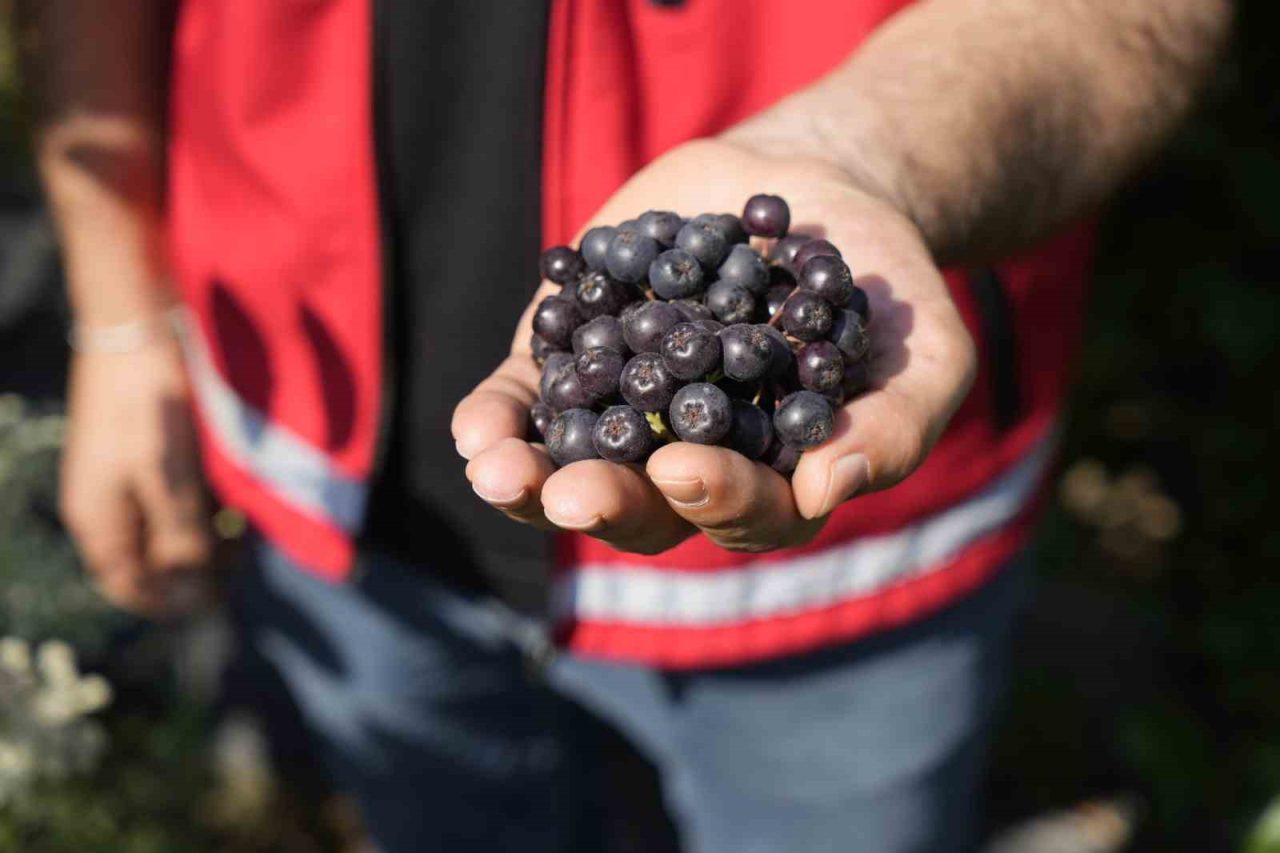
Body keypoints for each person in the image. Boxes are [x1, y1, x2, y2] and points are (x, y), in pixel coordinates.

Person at [22, 0, 1230, 851]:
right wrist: (123, 318)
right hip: (331, 467)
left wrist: (864, 152)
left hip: (843, 576)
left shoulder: (765, 325)